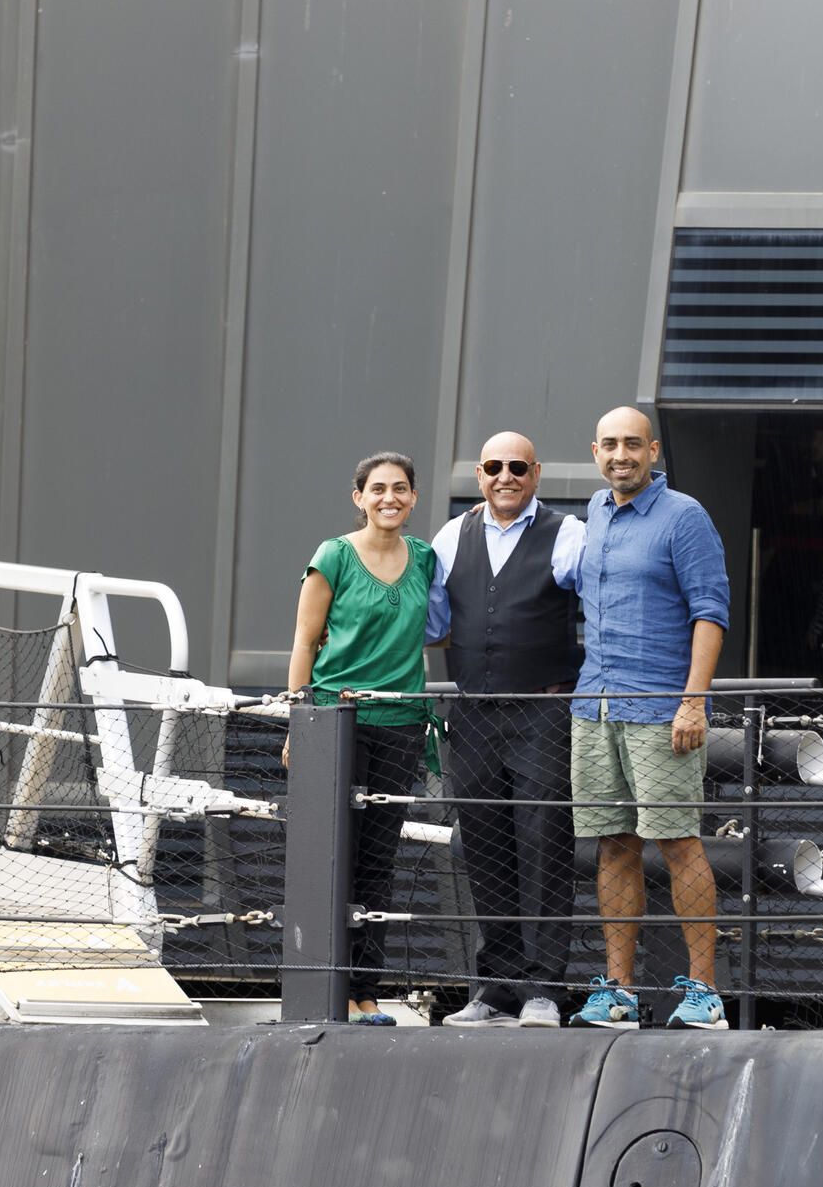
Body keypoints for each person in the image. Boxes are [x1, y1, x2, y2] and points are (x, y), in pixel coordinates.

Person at [570, 405, 731, 1029]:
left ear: (654, 451)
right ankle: (619, 992)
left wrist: (693, 701)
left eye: (632, 445)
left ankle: (705, 996)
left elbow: (710, 612)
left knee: (679, 841)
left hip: (660, 708)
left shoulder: (684, 516)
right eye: (609, 444)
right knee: (613, 844)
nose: (620, 456)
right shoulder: (595, 512)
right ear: (595, 451)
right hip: (595, 703)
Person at [426, 431, 585, 1028]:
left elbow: (608, 598)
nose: (506, 476)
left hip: (543, 712)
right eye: (494, 466)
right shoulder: (450, 536)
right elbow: (434, 619)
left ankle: (544, 988)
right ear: (479, 474)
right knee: (485, 844)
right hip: (471, 713)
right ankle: (495, 988)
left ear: (537, 473)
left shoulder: (568, 535)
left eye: (518, 466)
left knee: (546, 842)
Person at [285, 452, 436, 1027]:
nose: (389, 498)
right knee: (334, 859)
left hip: (401, 725)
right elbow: (304, 642)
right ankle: (330, 990)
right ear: (359, 497)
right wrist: (302, 722)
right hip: (336, 724)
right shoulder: (334, 556)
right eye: (377, 489)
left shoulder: (424, 558)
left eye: (400, 489)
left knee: (379, 861)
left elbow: (438, 627)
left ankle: (366, 993)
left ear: (414, 497)